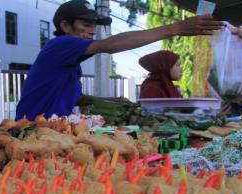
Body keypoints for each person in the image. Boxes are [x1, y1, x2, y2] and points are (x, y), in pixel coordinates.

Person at [15, 0, 223, 120]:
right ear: (65, 26)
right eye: (86, 24)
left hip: (55, 132)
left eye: (95, 25)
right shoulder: (59, 45)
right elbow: (110, 45)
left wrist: (117, 101)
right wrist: (175, 28)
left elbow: (78, 98)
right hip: (33, 132)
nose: (92, 30)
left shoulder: (70, 63)